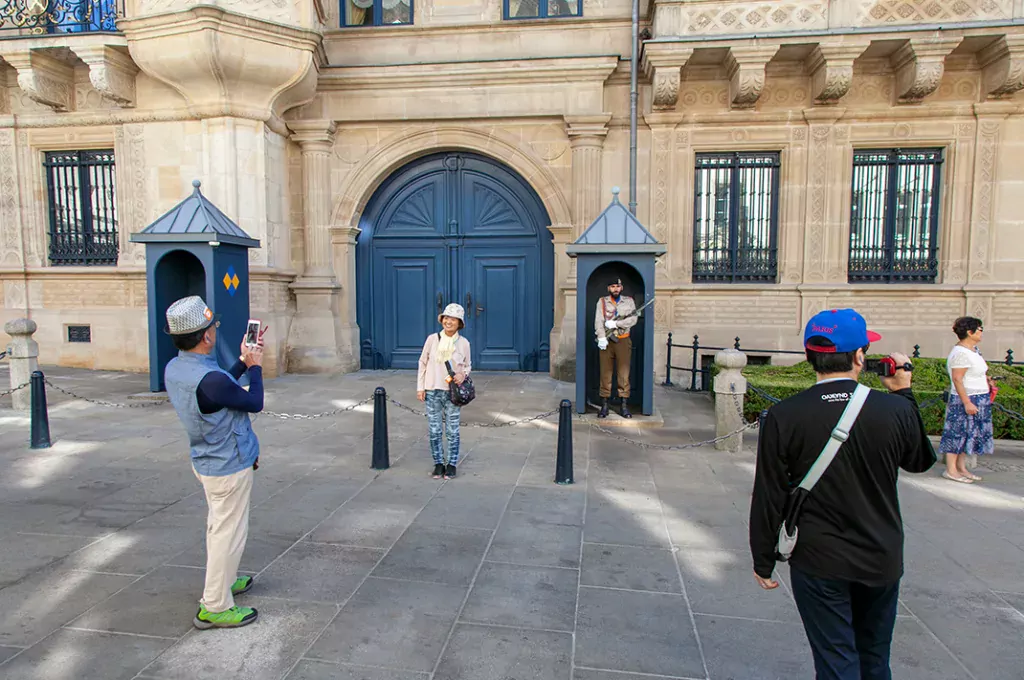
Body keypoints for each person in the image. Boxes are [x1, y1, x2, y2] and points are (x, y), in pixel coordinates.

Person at [749, 308, 937, 680]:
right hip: (880, 552)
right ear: (860, 356)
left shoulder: (785, 415)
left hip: (818, 558)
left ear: (808, 356)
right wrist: (905, 393)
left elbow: (769, 493)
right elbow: (919, 461)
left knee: (836, 661)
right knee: (874, 657)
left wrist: (763, 559)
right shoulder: (894, 410)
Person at [163, 295, 266, 630]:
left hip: (208, 458)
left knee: (221, 528)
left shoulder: (177, 368)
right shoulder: (211, 380)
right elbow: (253, 401)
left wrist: (240, 361)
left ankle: (225, 580)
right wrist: (256, 366)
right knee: (228, 533)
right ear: (205, 336)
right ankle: (216, 604)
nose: (214, 331)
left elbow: (222, 388)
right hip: (227, 464)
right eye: (212, 327)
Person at [417, 303, 471, 480]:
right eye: (446, 318)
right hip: (432, 390)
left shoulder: (464, 343)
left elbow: (467, 366)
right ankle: (438, 464)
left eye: (453, 319)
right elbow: (422, 363)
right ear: (442, 320)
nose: (449, 322)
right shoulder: (432, 339)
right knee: (434, 430)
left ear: (459, 323)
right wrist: (421, 387)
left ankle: (452, 464)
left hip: (452, 393)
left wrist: (463, 375)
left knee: (453, 430)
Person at [938, 316, 995, 483]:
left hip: (979, 396)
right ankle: (951, 470)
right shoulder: (960, 353)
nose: (981, 332)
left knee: (969, 435)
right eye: (979, 329)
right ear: (970, 332)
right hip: (965, 398)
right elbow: (957, 379)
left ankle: (961, 468)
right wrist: (967, 402)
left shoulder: (973, 350)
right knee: (957, 434)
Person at [594, 278, 638, 418]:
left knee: (623, 374)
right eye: (613, 286)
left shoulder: (629, 301)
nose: (615, 289)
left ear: (622, 287)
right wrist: (601, 337)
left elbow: (633, 319)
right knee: (605, 373)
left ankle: (624, 406)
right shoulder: (602, 302)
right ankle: (604, 405)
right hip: (607, 341)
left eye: (618, 286)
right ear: (609, 288)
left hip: (623, 340)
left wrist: (616, 324)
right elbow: (598, 321)